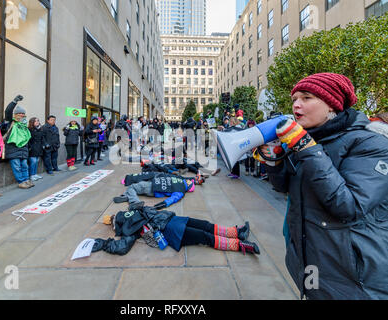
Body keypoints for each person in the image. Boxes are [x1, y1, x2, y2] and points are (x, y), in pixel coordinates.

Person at [256, 73, 388, 300]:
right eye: (295, 99)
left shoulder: (372, 144)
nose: (296, 104)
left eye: (307, 98)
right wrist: (274, 160)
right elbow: (283, 187)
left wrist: (305, 147)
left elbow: (349, 207)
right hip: (314, 265)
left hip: (355, 278)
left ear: (331, 106)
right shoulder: (308, 140)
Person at [92, 206, 259, 256]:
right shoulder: (130, 228)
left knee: (205, 225)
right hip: (170, 232)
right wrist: (103, 243)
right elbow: (122, 247)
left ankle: (236, 232)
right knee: (205, 236)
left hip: (174, 220)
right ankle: (240, 245)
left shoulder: (135, 210)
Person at [113, 172, 204, 210]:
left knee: (132, 187)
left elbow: (172, 199)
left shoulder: (179, 179)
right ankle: (125, 196)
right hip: (154, 188)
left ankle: (134, 202)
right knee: (136, 187)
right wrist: (162, 204)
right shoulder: (181, 191)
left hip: (153, 186)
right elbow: (173, 199)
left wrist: (162, 205)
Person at [2, 95, 32, 189]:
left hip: (23, 149)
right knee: (17, 167)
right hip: (13, 149)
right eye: (19, 113)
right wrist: (14, 102)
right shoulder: (11, 122)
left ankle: (26, 180)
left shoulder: (23, 125)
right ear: (15, 114)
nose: (22, 115)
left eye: (23, 113)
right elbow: (8, 112)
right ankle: (21, 182)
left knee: (25, 166)